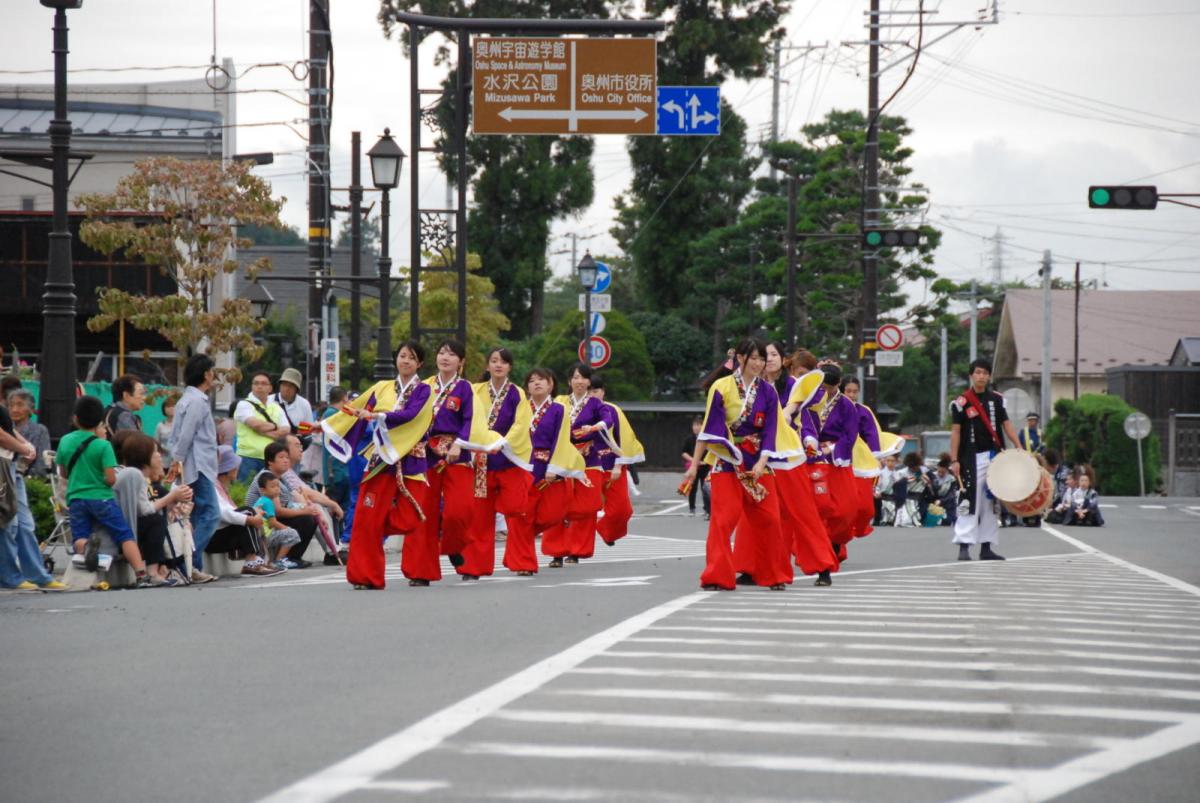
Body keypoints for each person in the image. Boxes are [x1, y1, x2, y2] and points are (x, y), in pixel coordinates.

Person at [322, 341, 434, 590]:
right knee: (365, 517)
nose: (405, 361)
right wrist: (326, 425)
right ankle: (365, 576)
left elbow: (412, 416)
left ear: (420, 364)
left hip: (411, 459)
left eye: (411, 358)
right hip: (381, 458)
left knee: (412, 518)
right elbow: (354, 409)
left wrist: (378, 416)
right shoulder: (382, 387)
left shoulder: (424, 391)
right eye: (403, 356)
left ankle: (375, 525)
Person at [683, 337, 791, 592]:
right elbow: (712, 428)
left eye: (761, 358)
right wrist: (695, 465)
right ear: (740, 358)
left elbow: (772, 429)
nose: (759, 363)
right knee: (723, 520)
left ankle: (774, 575)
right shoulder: (721, 387)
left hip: (758, 463)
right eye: (753, 358)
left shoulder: (768, 391)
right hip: (728, 461)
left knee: (770, 519)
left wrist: (763, 460)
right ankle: (717, 575)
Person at [54, 395, 156, 588]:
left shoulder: (65, 441)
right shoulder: (102, 445)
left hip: (76, 498)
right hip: (101, 498)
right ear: (100, 421)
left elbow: (63, 472)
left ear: (75, 418)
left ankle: (88, 547)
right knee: (124, 534)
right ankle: (141, 575)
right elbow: (110, 478)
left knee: (80, 537)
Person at [402, 340, 477, 583]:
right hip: (426, 454)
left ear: (461, 362)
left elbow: (470, 420)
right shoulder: (424, 386)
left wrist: (460, 443)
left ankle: (453, 546)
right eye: (442, 352)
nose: (445, 357)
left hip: (457, 454)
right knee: (424, 513)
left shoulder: (465, 388)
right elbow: (411, 417)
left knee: (459, 511)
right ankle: (421, 572)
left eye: (452, 354)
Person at [467, 347, 533, 578]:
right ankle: (474, 567)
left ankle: (522, 561)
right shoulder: (474, 391)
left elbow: (521, 423)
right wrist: (479, 445)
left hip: (508, 459)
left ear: (509, 367)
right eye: (494, 361)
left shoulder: (517, 393)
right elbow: (468, 419)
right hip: (481, 461)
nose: (498, 365)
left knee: (517, 510)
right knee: (480, 517)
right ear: (487, 366)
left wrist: (502, 442)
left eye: (503, 362)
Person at [509, 368, 581, 576]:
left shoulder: (559, 409)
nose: (536, 383)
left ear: (551, 384)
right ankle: (524, 563)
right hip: (523, 466)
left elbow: (561, 440)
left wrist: (554, 466)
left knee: (554, 513)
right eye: (531, 380)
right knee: (523, 516)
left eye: (542, 380)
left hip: (549, 467)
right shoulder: (520, 408)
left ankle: (518, 545)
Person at [949, 357, 1021, 561]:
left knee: (991, 502)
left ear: (989, 376)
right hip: (970, 458)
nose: (981, 376)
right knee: (968, 500)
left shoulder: (997, 399)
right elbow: (956, 432)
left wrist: (1019, 447)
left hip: (994, 457)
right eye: (977, 372)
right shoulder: (960, 402)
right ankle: (964, 546)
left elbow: (1006, 424)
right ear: (971, 375)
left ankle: (986, 547)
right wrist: (954, 459)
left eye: (984, 373)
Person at [545, 362, 615, 567]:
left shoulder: (594, 403)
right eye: (575, 377)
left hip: (588, 459)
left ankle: (577, 550)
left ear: (589, 381)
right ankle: (556, 553)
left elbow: (607, 418)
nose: (579, 381)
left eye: (583, 377)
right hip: (562, 459)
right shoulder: (559, 401)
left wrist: (595, 428)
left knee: (587, 505)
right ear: (569, 381)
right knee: (556, 504)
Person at [0, 399, 66, 590]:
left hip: (11, 465)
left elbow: (7, 430)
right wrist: (23, 447)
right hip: (4, 464)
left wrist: (24, 444)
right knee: (7, 522)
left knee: (24, 524)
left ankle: (38, 575)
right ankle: (10, 576)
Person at [167, 353, 221, 583]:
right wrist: (177, 460)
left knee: (197, 516)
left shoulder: (186, 399)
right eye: (212, 371)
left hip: (194, 464)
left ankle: (192, 568)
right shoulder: (197, 401)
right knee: (211, 514)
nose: (213, 375)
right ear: (206, 374)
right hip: (198, 465)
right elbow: (187, 434)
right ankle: (185, 560)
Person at [119, 432, 192, 585]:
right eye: (155, 453)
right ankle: (153, 572)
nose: (159, 456)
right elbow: (144, 510)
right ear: (143, 457)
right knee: (154, 520)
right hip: (126, 533)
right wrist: (171, 497)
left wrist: (176, 500)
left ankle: (164, 567)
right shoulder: (136, 475)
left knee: (159, 519)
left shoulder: (139, 477)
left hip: (129, 530)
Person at [209, 445, 284, 576]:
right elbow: (221, 512)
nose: (237, 468)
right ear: (227, 468)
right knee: (249, 512)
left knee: (252, 512)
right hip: (212, 538)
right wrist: (250, 518)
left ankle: (259, 560)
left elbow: (230, 511)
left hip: (220, 534)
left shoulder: (221, 486)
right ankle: (252, 562)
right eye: (234, 465)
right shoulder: (212, 487)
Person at [589, 375, 645, 549]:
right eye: (588, 391)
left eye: (595, 391)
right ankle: (573, 551)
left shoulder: (612, 410)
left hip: (612, 464)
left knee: (623, 510)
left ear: (603, 392)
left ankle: (606, 530)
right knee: (583, 510)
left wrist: (619, 464)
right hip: (588, 466)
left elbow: (625, 439)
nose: (592, 395)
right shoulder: (576, 411)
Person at [244, 440, 318, 569]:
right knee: (305, 519)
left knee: (312, 516)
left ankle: (295, 557)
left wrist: (307, 506)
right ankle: (287, 558)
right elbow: (277, 510)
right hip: (263, 522)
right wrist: (304, 511)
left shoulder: (281, 477)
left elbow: (294, 495)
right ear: (270, 462)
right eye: (281, 457)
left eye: (287, 458)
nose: (286, 461)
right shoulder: (267, 478)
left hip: (272, 518)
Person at [279, 433, 344, 564]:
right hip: (279, 517)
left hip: (290, 513)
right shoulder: (282, 471)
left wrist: (332, 504)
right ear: (284, 450)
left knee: (320, 505)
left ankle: (335, 550)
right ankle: (333, 553)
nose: (301, 448)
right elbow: (307, 494)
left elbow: (309, 492)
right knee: (316, 508)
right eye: (297, 445)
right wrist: (333, 504)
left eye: (301, 445)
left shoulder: (290, 471)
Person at [234, 372, 289, 482]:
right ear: (252, 386)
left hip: (270, 459)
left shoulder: (276, 407)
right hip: (248, 457)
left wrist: (263, 431)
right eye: (256, 383)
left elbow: (286, 429)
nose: (259, 386)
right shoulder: (244, 405)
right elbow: (255, 424)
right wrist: (274, 426)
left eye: (264, 384)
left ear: (270, 388)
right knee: (246, 494)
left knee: (269, 494)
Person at [253, 473, 306, 570]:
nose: (277, 489)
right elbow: (272, 523)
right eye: (272, 486)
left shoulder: (261, 500)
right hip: (266, 537)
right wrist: (286, 528)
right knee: (292, 533)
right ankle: (279, 560)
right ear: (263, 490)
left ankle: (275, 560)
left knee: (286, 532)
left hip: (261, 536)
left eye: (278, 486)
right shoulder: (268, 502)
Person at [6, 389, 51, 479]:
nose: (14, 410)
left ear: (31, 409)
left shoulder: (39, 430)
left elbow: (42, 464)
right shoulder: (4, 430)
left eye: (20, 405)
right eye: (11, 405)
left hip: (29, 481)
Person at [321, 387, 351, 515]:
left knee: (341, 511)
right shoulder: (334, 415)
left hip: (337, 471)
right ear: (344, 398)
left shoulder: (329, 413)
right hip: (336, 472)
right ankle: (338, 535)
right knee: (337, 511)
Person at [680, 416, 710, 518]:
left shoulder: (708, 438)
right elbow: (684, 452)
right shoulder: (689, 439)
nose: (696, 427)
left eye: (698, 425)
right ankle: (691, 508)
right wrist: (694, 461)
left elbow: (712, 452)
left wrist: (704, 462)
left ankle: (707, 509)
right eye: (694, 425)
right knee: (692, 488)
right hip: (694, 467)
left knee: (705, 488)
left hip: (706, 467)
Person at [155, 392, 179, 468]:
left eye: (173, 406)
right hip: (164, 463)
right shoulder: (160, 425)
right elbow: (156, 443)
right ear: (164, 409)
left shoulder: (181, 425)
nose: (171, 408)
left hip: (177, 462)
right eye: (168, 406)